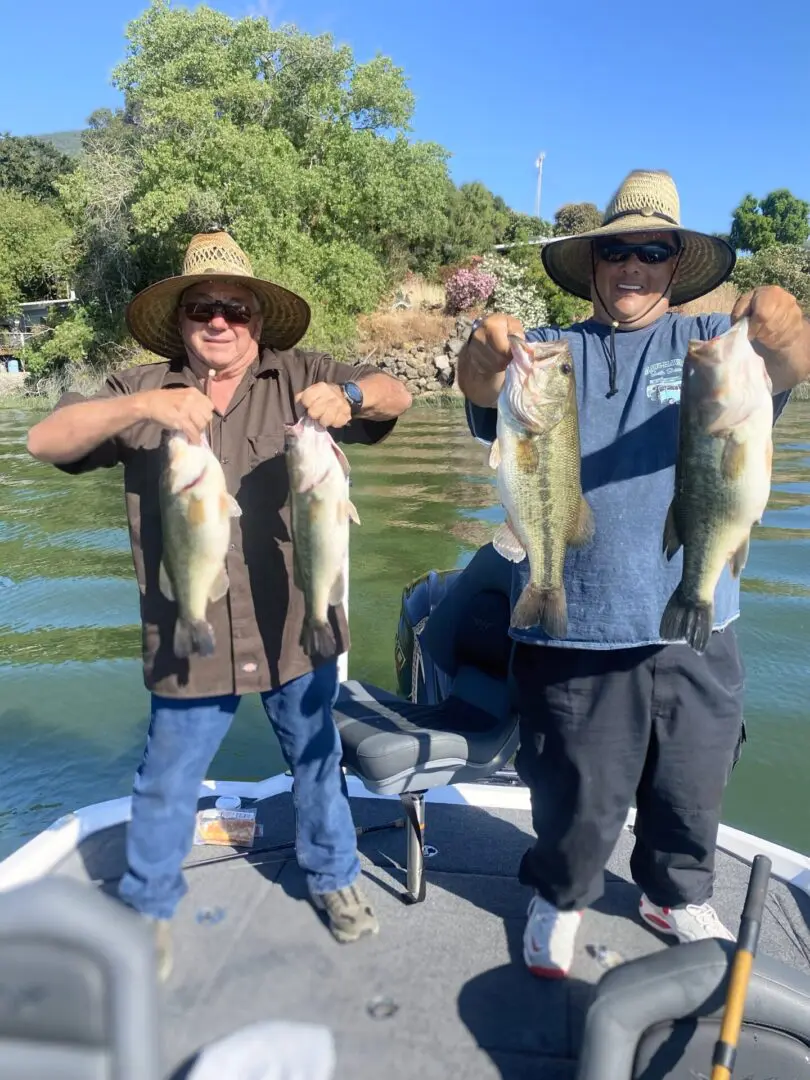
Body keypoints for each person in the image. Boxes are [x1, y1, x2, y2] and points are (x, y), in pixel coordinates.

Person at [27, 228, 412, 977]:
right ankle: (149, 907)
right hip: (191, 626)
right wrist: (144, 406)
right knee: (167, 778)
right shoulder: (139, 390)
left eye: (236, 308)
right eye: (204, 306)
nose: (220, 321)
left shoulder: (305, 374)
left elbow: (396, 394)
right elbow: (47, 440)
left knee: (317, 760)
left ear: (257, 320)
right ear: (182, 319)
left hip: (299, 626)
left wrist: (354, 395)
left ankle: (334, 879)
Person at [457, 169, 810, 979]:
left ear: (673, 265)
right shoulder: (553, 351)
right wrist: (483, 355)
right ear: (592, 264)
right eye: (616, 250)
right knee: (574, 792)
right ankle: (560, 894)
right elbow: (480, 391)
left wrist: (785, 324)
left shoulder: (714, 348)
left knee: (693, 783)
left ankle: (673, 892)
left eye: (652, 252)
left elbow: (793, 360)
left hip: (698, 616)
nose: (632, 265)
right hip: (573, 621)